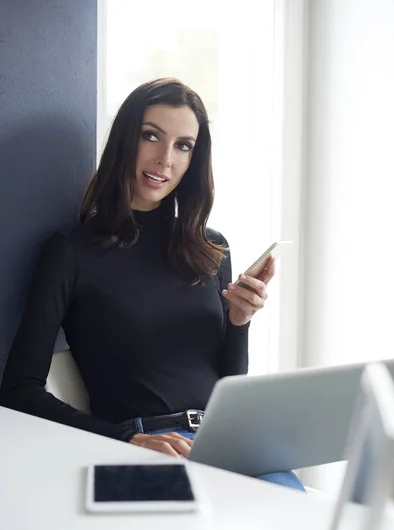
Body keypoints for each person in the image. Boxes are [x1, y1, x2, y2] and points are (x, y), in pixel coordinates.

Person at [0, 78, 304, 491]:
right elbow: (18, 389)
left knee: (306, 526)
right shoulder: (71, 253)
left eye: (183, 145)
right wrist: (128, 439)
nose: (165, 159)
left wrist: (238, 321)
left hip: (228, 440)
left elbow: (225, 385)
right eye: (151, 136)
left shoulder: (212, 248)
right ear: (127, 139)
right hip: (146, 446)